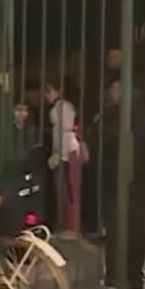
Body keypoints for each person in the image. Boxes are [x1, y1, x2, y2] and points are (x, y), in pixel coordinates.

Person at [94, 78, 145, 289]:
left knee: (115, 232)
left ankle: (114, 280)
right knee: (137, 232)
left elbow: (97, 146)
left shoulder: (107, 118)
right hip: (142, 185)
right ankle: (135, 278)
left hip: (113, 182)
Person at [45, 80, 83, 236]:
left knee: (63, 190)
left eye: (48, 91)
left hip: (64, 154)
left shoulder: (59, 108)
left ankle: (64, 225)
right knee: (70, 190)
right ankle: (69, 225)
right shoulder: (67, 107)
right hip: (70, 152)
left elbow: (61, 135)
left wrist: (56, 156)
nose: (46, 96)